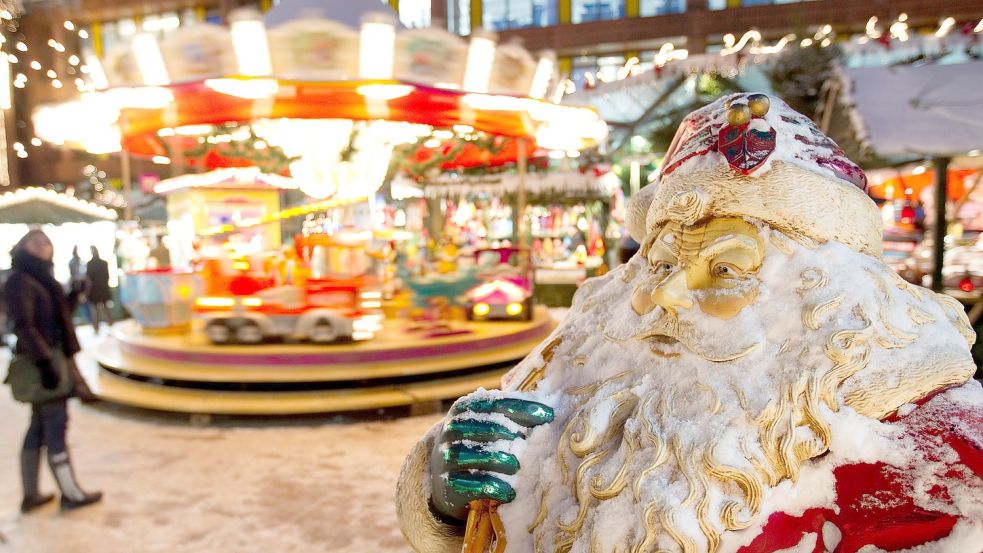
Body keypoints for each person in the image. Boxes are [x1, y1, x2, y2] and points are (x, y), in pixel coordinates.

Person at [396, 94, 983, 552]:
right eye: (663, 263)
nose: (668, 295)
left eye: (724, 268)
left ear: (820, 298)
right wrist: (444, 499)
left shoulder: (939, 448)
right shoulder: (589, 367)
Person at [5, 230, 102, 513]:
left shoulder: (42, 278)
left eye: (46, 242)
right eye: (36, 242)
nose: (43, 246)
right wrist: (45, 362)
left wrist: (74, 295)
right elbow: (25, 326)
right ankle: (71, 493)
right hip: (44, 363)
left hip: (50, 357)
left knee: (38, 427)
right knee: (55, 426)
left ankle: (31, 494)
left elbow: (55, 319)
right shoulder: (20, 280)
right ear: (23, 247)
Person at [85, 246, 114, 332]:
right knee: (104, 307)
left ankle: (97, 325)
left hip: (95, 289)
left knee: (96, 308)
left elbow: (88, 278)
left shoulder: (90, 264)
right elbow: (107, 276)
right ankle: (109, 323)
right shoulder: (103, 263)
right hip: (103, 288)